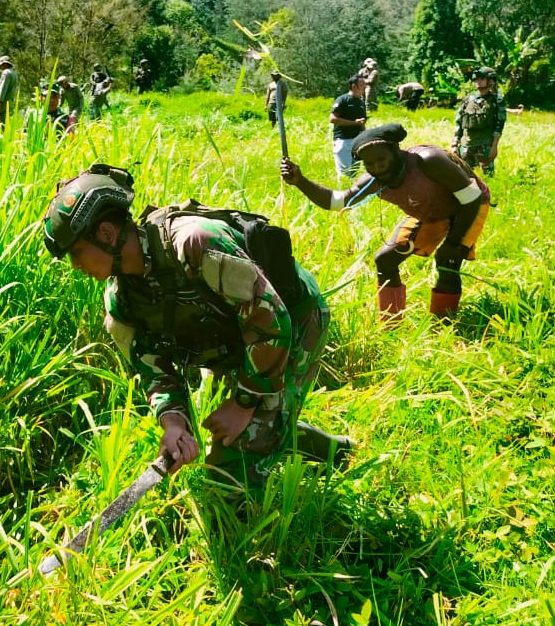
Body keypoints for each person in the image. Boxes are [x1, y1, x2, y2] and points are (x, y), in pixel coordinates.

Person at [42, 165, 353, 491]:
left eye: (77, 252)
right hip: (236, 339)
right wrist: (174, 423)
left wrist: (245, 401)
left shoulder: (195, 243)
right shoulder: (122, 303)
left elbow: (271, 322)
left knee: (230, 467)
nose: (76, 267)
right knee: (264, 422)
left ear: (106, 234)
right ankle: (335, 450)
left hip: (294, 321)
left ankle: (243, 536)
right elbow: (154, 371)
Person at [280, 123, 490, 322]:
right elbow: (337, 202)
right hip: (429, 214)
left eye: (381, 160)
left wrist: (453, 243)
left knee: (448, 261)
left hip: (469, 206)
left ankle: (444, 323)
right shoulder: (373, 180)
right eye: (370, 164)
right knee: (385, 260)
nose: (377, 167)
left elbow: (470, 197)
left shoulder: (428, 161)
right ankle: (391, 324)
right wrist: (300, 181)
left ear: (396, 150)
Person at [452, 67, 507, 174]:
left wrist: (494, 147)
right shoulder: (468, 100)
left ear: (491, 81)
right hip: (466, 146)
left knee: (487, 178)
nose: (478, 82)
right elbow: (459, 122)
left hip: (484, 146)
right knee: (465, 179)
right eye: (476, 79)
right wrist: (454, 144)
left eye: (482, 79)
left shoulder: (497, 101)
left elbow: (499, 126)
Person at [330, 74, 368, 177]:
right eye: (362, 84)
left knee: (354, 174)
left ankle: (353, 193)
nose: (364, 87)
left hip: (357, 142)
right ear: (353, 86)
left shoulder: (361, 103)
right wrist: (354, 123)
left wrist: (366, 137)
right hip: (343, 141)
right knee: (344, 175)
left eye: (365, 85)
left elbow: (362, 123)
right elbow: (333, 119)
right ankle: (342, 193)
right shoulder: (342, 100)